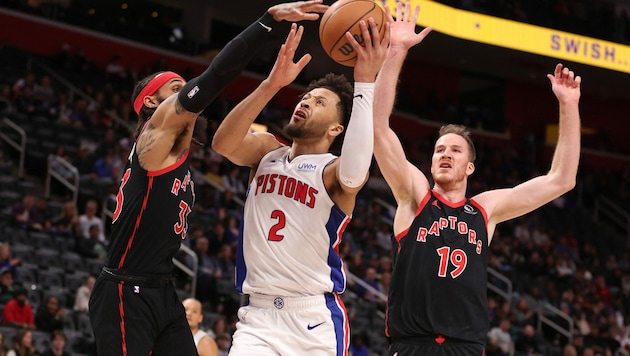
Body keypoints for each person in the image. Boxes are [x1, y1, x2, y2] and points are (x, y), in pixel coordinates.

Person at [87, 2, 330, 355]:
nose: (185, 92)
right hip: (126, 290)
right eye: (175, 89)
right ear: (152, 103)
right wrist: (267, 21)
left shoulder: (178, 154)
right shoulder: (155, 135)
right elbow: (216, 75)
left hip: (161, 289)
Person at [372, 3, 581, 355]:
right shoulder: (415, 195)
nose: (445, 154)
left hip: (467, 348)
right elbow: (378, 130)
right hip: (412, 345)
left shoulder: (485, 210)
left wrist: (569, 105)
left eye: (454, 150)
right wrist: (395, 52)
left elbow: (561, 179)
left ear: (470, 167)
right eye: (439, 149)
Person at [211, 12, 389, 355]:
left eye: (320, 102)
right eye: (305, 97)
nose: (306, 101)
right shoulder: (266, 152)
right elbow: (222, 144)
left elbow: (354, 174)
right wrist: (271, 85)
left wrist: (365, 81)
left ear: (337, 129)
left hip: (312, 320)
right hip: (257, 318)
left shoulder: (334, 171)